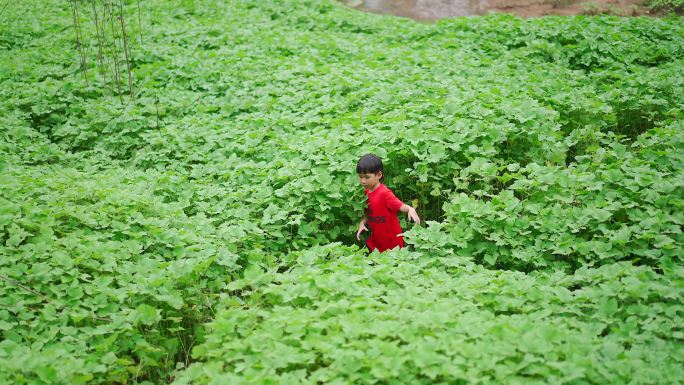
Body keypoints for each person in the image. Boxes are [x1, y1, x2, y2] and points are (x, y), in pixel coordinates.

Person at [356, 154, 420, 253]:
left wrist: (411, 210)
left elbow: (401, 206)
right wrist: (362, 223)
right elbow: (369, 213)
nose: (363, 181)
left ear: (379, 175)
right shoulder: (366, 192)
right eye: (360, 177)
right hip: (378, 239)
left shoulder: (384, 193)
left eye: (367, 177)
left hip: (392, 242)